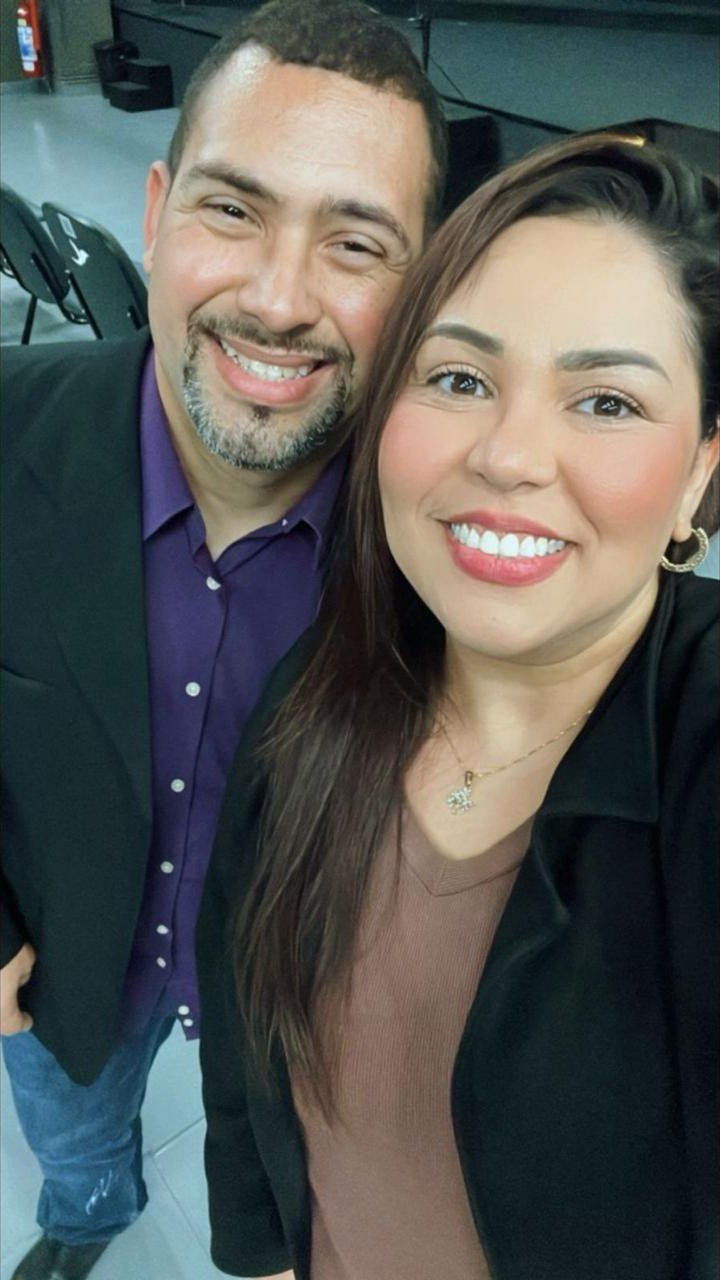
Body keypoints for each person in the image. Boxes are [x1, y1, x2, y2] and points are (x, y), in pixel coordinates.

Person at [197, 132, 719, 1280]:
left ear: (700, 471)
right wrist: (260, 1252)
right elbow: (239, 1024)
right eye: (461, 379)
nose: (510, 455)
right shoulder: (316, 694)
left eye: (606, 400)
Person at [0, 2, 445, 1277]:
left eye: (355, 242)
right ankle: (86, 1216)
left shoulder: (444, 555)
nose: (278, 298)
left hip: (290, 1011)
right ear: (155, 214)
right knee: (77, 1142)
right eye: (233, 209)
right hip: (59, 973)